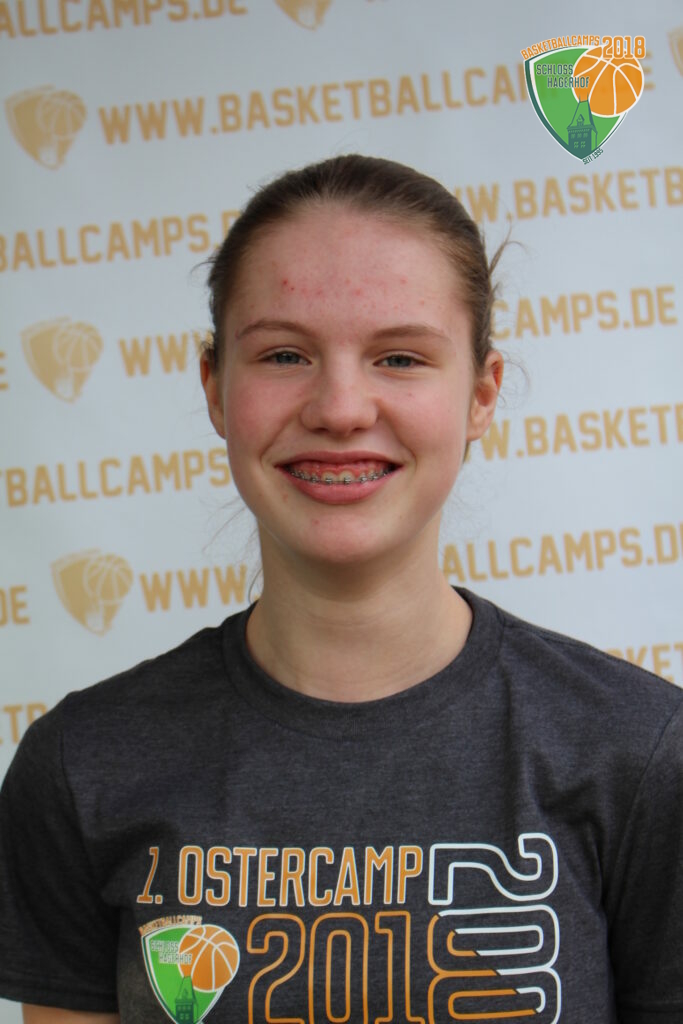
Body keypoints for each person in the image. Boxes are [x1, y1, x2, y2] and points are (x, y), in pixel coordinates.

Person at [0, 155, 681, 1024]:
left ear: (480, 394)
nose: (340, 407)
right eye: (284, 354)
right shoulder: (81, 765)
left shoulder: (640, 754)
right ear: (215, 389)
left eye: (399, 357)